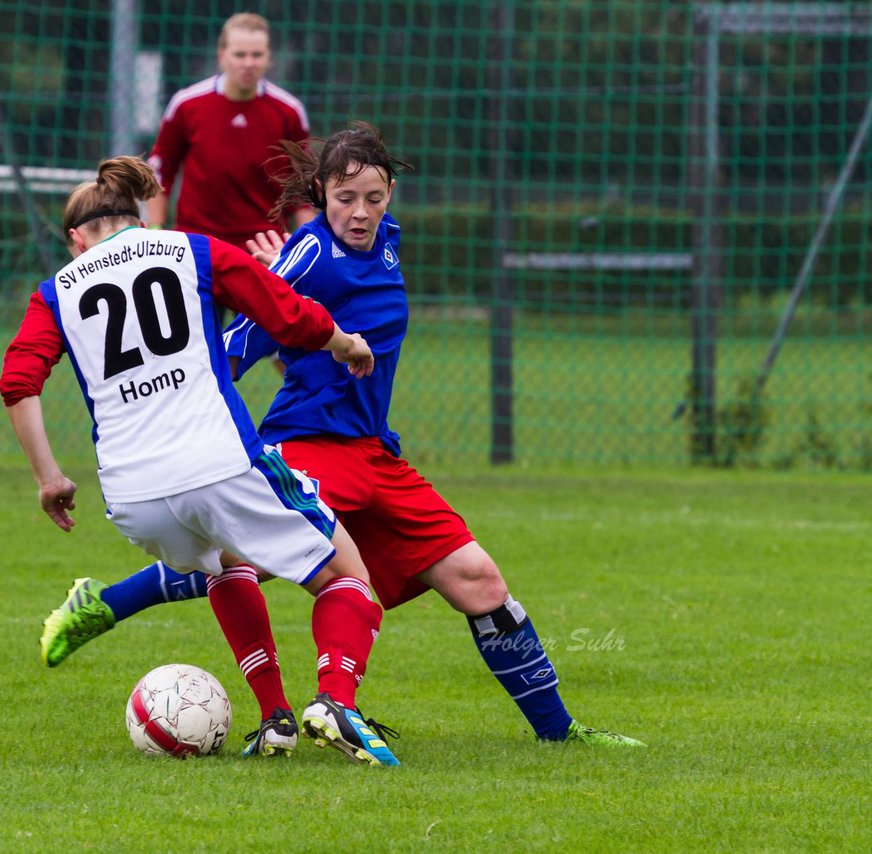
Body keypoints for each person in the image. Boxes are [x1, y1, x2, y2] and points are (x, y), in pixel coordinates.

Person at [39, 125, 646, 749]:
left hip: (376, 451)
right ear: (320, 192)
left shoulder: (387, 243)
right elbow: (238, 343)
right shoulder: (308, 253)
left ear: (390, 195)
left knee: (480, 582)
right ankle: (106, 607)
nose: (360, 212)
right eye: (345, 197)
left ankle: (560, 734)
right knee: (242, 560)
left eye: (374, 197)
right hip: (310, 440)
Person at [3, 155, 400, 766]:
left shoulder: (56, 289)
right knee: (349, 578)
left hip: (133, 498)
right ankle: (336, 702)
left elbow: (18, 381)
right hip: (220, 462)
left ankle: (276, 721)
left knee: (225, 566)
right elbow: (284, 312)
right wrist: (345, 344)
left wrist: (49, 478)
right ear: (138, 218)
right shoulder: (190, 250)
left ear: (76, 239)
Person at [146, 12, 314, 248]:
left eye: (256, 55)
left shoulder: (290, 112)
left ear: (269, 58)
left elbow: (301, 190)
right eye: (239, 54)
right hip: (196, 242)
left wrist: (308, 244)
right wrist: (155, 230)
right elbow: (161, 170)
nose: (248, 63)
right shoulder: (186, 104)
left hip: (264, 246)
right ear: (222, 55)